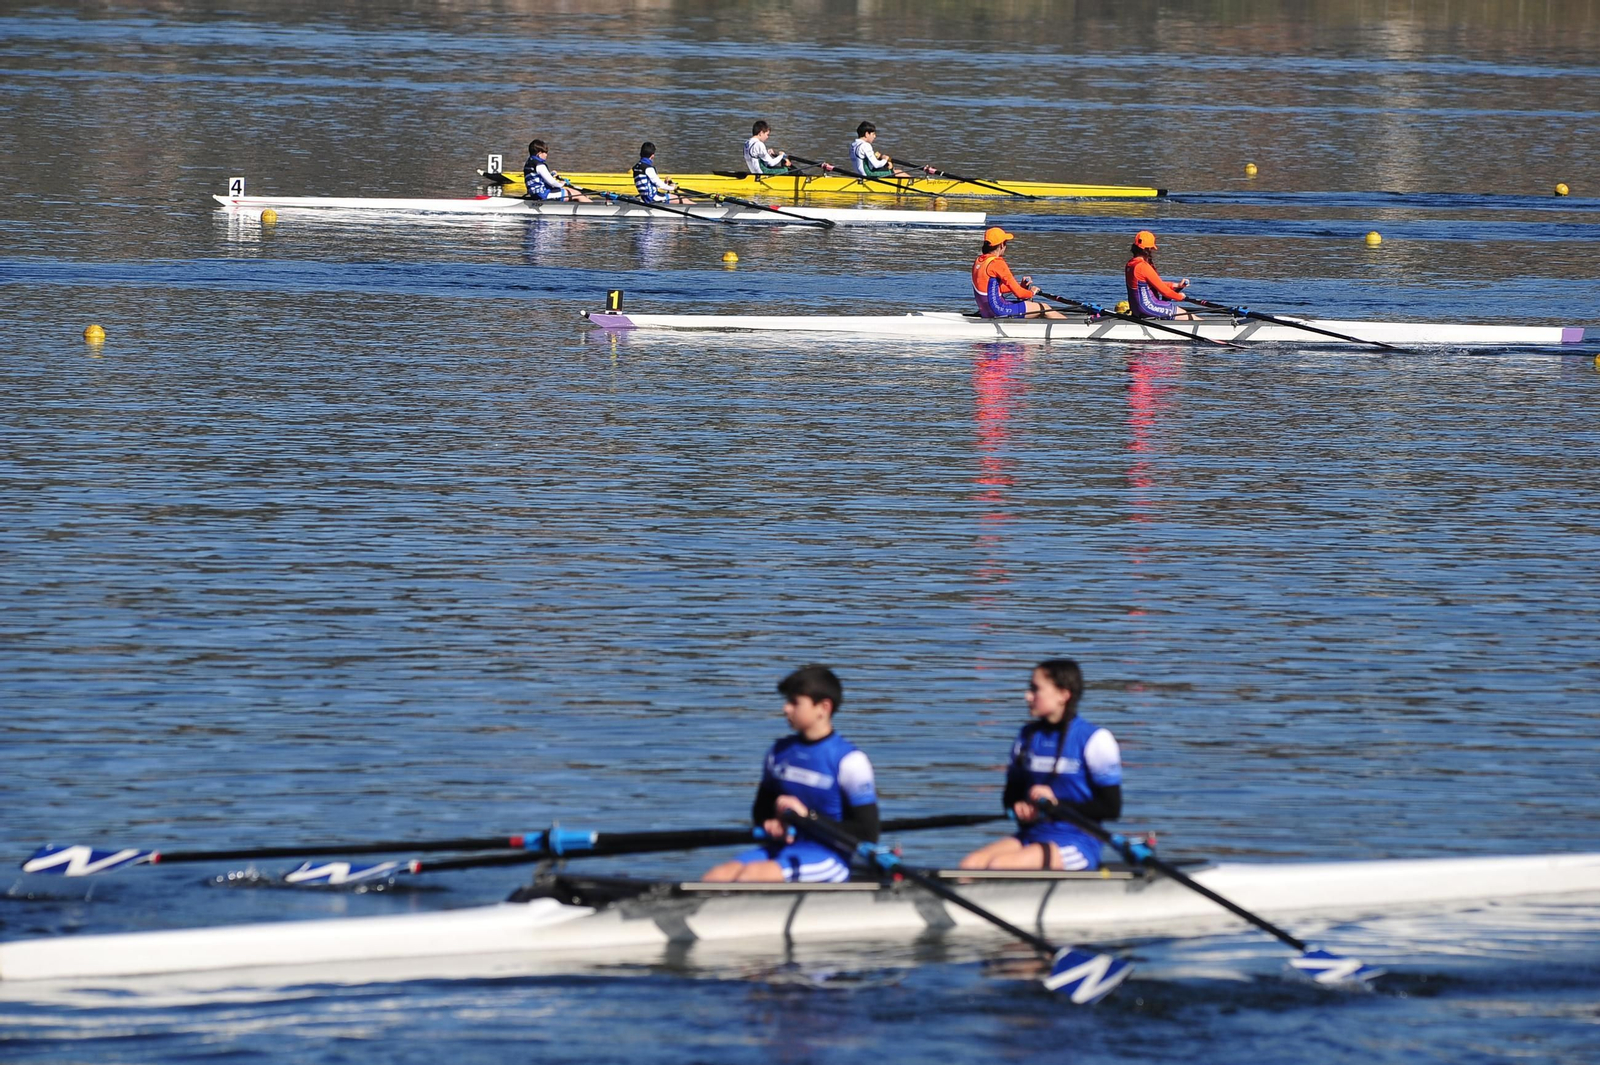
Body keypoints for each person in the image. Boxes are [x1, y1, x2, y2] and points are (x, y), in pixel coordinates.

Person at [703, 666, 879, 883]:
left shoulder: (850, 761)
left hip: (828, 856)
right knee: (717, 876)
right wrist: (769, 822)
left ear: (823, 708)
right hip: (784, 847)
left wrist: (807, 817)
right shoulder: (778, 753)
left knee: (751, 876)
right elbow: (761, 811)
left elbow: (868, 834)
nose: (785, 709)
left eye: (794, 702)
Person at [959, 659, 1123, 871]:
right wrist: (1018, 806)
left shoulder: (1095, 740)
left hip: (1077, 842)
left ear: (1063, 694)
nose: (1027, 696)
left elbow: (1111, 808)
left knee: (1000, 865)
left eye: (1035, 689)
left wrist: (1056, 805)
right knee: (969, 865)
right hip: (1032, 835)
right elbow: (1011, 796)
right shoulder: (1026, 738)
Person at [972, 227, 1066, 319]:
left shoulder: (979, 261)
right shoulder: (997, 263)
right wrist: (1031, 292)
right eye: (1005, 243)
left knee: (1032, 307)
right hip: (999, 310)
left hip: (985, 311)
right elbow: (1020, 294)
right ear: (1001, 245)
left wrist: (1021, 286)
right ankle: (1071, 327)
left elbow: (993, 289)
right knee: (1044, 308)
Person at [1125, 230, 1197, 320]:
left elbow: (1155, 284)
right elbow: (1165, 292)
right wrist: (1180, 297)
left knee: (1180, 314)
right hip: (1149, 307)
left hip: (1136, 309)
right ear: (1149, 249)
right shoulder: (1143, 266)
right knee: (1191, 317)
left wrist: (1177, 285)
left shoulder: (1130, 264)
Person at [521, 140, 592, 203]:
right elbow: (552, 182)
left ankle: (585, 201)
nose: (546, 155)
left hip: (535, 194)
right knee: (576, 194)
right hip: (543, 195)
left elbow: (538, 178)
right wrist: (561, 184)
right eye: (545, 152)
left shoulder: (529, 163)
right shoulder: (540, 165)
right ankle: (594, 207)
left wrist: (551, 174)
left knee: (572, 192)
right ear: (539, 153)